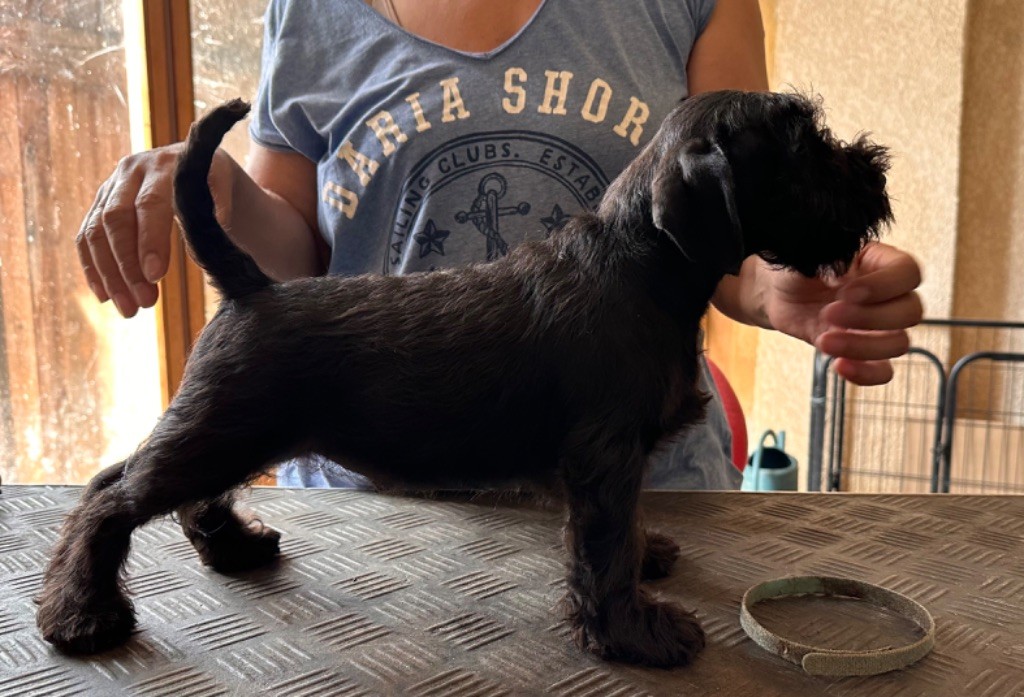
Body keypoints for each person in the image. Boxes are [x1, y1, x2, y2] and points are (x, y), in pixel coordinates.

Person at [75, 0, 923, 489]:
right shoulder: (309, 10)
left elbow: (723, 208)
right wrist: (223, 193)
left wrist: (772, 283)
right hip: (379, 498)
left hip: (635, 489)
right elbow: (298, 269)